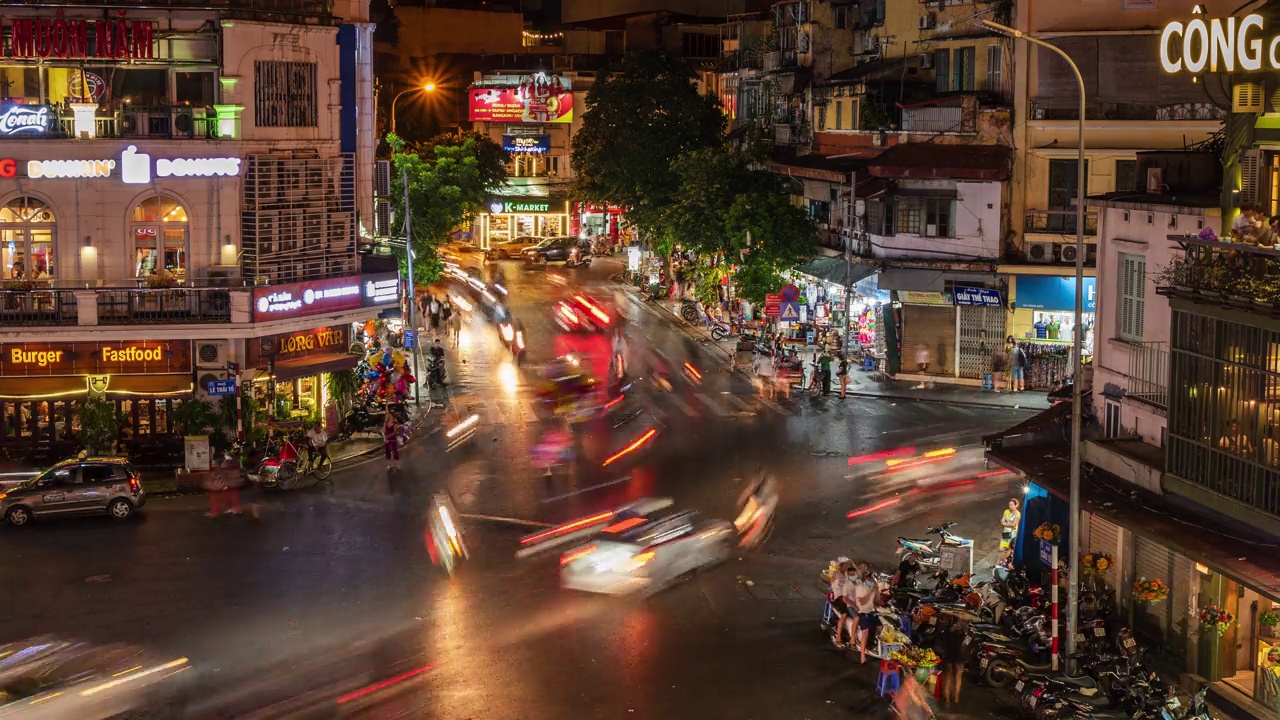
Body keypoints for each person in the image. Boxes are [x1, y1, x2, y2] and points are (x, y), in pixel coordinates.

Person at [850, 563, 881, 664]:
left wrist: (876, 594)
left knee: (880, 627)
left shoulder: (869, 585)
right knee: (865, 633)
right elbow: (863, 600)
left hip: (872, 611)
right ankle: (862, 656)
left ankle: (875, 643)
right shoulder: (859, 585)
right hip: (863, 612)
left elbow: (876, 596)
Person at [939, 619, 967, 706]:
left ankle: (947, 698)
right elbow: (966, 642)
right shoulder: (963, 630)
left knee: (948, 676)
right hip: (959, 654)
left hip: (949, 653)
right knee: (958, 676)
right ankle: (956, 698)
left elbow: (943, 640)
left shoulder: (947, 628)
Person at [829, 559, 854, 647]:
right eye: (846, 565)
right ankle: (838, 636)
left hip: (847, 596)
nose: (847, 567)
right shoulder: (836, 573)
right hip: (839, 597)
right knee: (844, 614)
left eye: (848, 565)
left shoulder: (846, 575)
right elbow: (831, 581)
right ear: (841, 565)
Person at [999, 497, 1022, 567]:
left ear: (1016, 505)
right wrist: (1006, 524)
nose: (1010, 506)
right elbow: (1002, 521)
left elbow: (1014, 524)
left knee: (1009, 549)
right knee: (1001, 548)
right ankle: (999, 563)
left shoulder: (1017, 514)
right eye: (1009, 505)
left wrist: (1005, 523)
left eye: (1012, 505)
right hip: (1005, 532)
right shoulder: (1006, 511)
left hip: (1012, 533)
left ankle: (1007, 563)